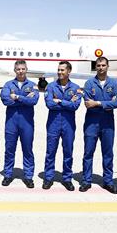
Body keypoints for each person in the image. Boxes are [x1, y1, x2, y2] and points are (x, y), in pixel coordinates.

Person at [79, 57, 117, 193]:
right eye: (98, 65)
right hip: (91, 123)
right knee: (88, 153)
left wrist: (97, 103)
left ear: (108, 66)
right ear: (95, 67)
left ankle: (108, 182)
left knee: (108, 153)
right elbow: (87, 103)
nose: (101, 67)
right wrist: (107, 104)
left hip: (107, 123)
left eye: (103, 65)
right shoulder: (89, 83)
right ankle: (86, 181)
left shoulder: (114, 84)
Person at [43, 61, 82, 191]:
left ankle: (67, 178)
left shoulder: (76, 88)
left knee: (68, 152)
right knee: (50, 152)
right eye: (58, 70)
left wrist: (59, 101)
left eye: (62, 70)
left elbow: (75, 106)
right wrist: (67, 103)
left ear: (69, 71)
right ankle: (48, 178)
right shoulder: (51, 86)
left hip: (68, 125)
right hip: (53, 123)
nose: (59, 72)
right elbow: (49, 104)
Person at [0, 60, 39, 188]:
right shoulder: (8, 84)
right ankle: (8, 174)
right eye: (18, 69)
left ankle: (28, 176)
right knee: (9, 150)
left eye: (23, 69)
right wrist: (25, 99)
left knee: (27, 149)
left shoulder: (33, 85)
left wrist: (16, 97)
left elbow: (33, 100)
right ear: (15, 70)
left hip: (27, 123)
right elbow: (5, 100)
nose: (20, 71)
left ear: (26, 69)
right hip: (11, 122)